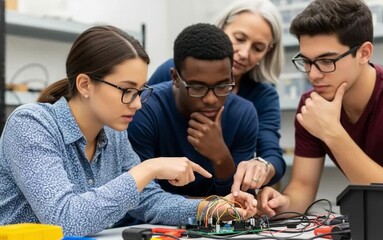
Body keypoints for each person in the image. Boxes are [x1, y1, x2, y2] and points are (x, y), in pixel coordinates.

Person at [0, 25, 257, 237]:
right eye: (126, 91)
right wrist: (149, 168)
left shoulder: (113, 132)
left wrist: (211, 209)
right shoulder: (31, 125)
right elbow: (65, 221)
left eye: (141, 91)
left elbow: (148, 200)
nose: (136, 103)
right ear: (85, 84)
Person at [257, 0, 383, 217]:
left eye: (326, 61)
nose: (313, 75)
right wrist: (281, 203)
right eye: (306, 61)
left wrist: (331, 132)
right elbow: (302, 188)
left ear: (364, 53)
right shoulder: (313, 104)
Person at [148, 0, 286, 193]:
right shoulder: (176, 74)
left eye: (258, 48)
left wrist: (261, 166)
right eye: (239, 38)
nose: (244, 53)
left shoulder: (259, 98)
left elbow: (272, 154)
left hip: (221, 198)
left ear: (268, 52)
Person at [127, 23, 258, 197]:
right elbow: (140, 197)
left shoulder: (243, 114)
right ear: (175, 78)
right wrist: (204, 207)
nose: (211, 99)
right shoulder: (143, 110)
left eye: (222, 85)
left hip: (213, 221)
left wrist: (221, 157)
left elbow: (239, 201)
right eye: (197, 87)